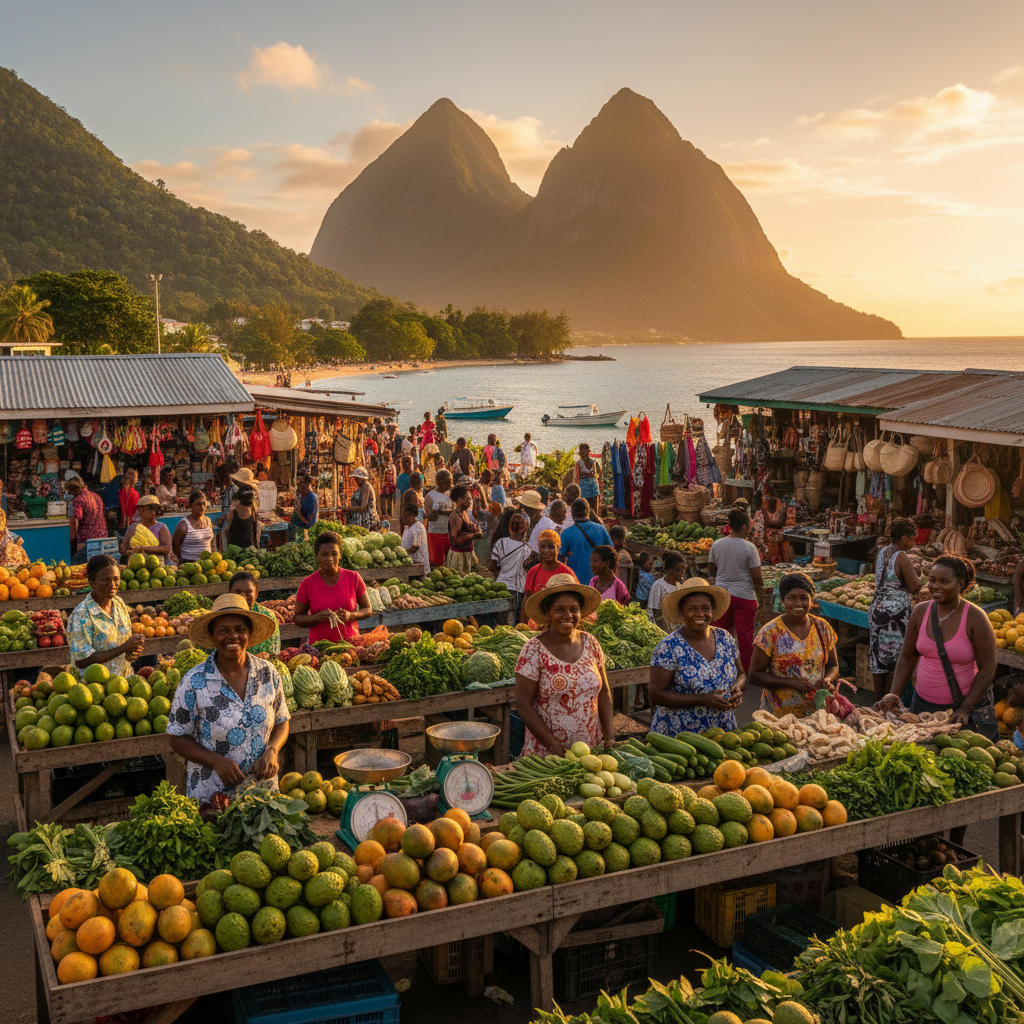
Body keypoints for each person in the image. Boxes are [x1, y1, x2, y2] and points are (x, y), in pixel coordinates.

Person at [167, 593, 289, 804]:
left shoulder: (268, 673)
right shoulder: (194, 681)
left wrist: (272, 749)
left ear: (249, 634)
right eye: (223, 631)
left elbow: (282, 720)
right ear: (213, 637)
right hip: (212, 796)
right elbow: (177, 737)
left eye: (240, 629)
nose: (233, 636)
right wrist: (215, 761)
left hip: (262, 796)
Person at [885, 555, 998, 736]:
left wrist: (966, 708)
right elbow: (907, 656)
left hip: (961, 709)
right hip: (922, 706)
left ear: (961, 584)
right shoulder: (920, 611)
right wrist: (893, 696)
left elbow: (988, 668)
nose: (935, 586)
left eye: (944, 581)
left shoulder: (976, 618)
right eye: (932, 580)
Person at [514, 575, 613, 756]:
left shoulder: (590, 642)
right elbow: (523, 705)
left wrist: (609, 737)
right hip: (547, 756)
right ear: (547, 613)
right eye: (559, 609)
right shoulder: (533, 649)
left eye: (574, 609)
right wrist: (553, 746)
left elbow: (604, 692)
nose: (568, 616)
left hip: (591, 751)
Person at [649, 578, 746, 735]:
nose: (700, 614)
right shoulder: (669, 647)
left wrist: (737, 688)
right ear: (682, 611)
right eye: (692, 609)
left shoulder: (725, 638)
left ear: (712, 611)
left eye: (705, 608)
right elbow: (656, 695)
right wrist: (702, 699)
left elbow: (741, 673)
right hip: (680, 735)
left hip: (723, 730)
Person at [749, 572, 840, 719]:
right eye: (792, 598)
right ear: (782, 601)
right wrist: (790, 683)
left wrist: (828, 679)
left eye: (804, 598)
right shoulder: (770, 632)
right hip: (780, 715)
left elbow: (833, 666)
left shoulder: (822, 627)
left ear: (812, 601)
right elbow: (754, 675)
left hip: (817, 713)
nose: (798, 603)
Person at [868, 518, 924, 701]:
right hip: (895, 614)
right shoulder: (901, 556)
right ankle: (890, 701)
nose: (913, 543)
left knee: (878, 655)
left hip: (877, 608)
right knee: (895, 658)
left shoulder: (882, 552)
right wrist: (922, 578)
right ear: (904, 537)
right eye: (912, 539)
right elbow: (915, 586)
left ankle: (879, 700)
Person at [67, 555, 145, 679]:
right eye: (105, 579)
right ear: (92, 583)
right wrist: (124, 647)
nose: (112, 584)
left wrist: (132, 651)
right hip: (94, 689)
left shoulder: (119, 603)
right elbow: (81, 661)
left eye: (116, 579)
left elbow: (124, 642)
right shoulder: (81, 615)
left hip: (124, 683)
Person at [707, 509, 764, 672]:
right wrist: (759, 598)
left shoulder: (717, 544)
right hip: (744, 596)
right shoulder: (749, 548)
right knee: (745, 636)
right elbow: (757, 578)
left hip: (722, 595)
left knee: (722, 634)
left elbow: (711, 568)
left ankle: (724, 667)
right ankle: (747, 670)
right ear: (745, 527)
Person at [294, 531, 373, 643]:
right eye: (324, 554)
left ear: (340, 555)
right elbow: (298, 618)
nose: (329, 558)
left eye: (334, 554)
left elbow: (368, 610)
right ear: (317, 556)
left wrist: (350, 615)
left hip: (351, 645)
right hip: (320, 647)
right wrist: (317, 617)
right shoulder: (307, 583)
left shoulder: (353, 577)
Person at [227, 571, 281, 658]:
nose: (243, 597)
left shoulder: (267, 616)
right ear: (229, 593)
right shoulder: (220, 617)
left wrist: (262, 659)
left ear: (256, 594)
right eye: (237, 592)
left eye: (248, 592)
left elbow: (274, 652)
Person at [489, 511, 531, 621]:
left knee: (500, 622)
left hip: (501, 587)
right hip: (518, 590)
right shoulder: (527, 550)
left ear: (510, 528)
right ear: (525, 529)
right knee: (514, 623)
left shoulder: (500, 543)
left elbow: (491, 568)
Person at [559, 498, 613, 583]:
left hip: (576, 582)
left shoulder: (566, 533)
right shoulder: (601, 529)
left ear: (572, 513)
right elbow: (611, 553)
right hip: (599, 581)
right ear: (588, 512)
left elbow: (560, 558)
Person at [524, 530, 578, 602]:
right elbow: (527, 598)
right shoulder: (533, 572)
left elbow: (576, 597)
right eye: (543, 547)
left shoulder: (567, 572)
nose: (546, 550)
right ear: (539, 549)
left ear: (558, 548)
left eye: (550, 547)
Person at [121, 495, 173, 565]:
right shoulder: (133, 527)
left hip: (158, 565)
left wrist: (144, 549)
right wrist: (132, 551)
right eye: (150, 509)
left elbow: (166, 549)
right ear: (140, 510)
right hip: (136, 565)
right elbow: (123, 548)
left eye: (155, 509)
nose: (153, 512)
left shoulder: (161, 527)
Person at [66, 476, 107, 557]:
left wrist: (68, 541)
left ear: (74, 489)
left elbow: (74, 527)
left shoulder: (77, 501)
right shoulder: (97, 497)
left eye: (69, 490)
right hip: (103, 539)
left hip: (86, 543)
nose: (69, 493)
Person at [172, 491, 216, 564]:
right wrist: (181, 563)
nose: (202, 507)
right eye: (198, 504)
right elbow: (175, 547)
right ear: (191, 505)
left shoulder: (208, 521)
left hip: (208, 564)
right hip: (190, 565)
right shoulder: (184, 525)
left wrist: (215, 558)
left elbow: (212, 543)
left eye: (204, 504)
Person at [446, 484, 482, 573]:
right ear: (459, 500)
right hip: (459, 556)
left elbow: (464, 532)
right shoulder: (456, 517)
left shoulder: (464, 513)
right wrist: (473, 536)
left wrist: (473, 529)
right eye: (468, 499)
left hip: (467, 553)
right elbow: (455, 540)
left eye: (471, 499)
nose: (470, 501)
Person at [648, 552, 686, 630]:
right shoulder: (659, 586)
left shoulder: (682, 585)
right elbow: (656, 613)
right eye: (678, 570)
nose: (682, 572)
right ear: (668, 570)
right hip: (662, 627)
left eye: (683, 570)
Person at [424, 469, 455, 568]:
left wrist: (441, 512)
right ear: (441, 482)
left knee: (451, 562)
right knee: (438, 564)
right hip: (435, 533)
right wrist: (440, 513)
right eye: (449, 482)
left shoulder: (451, 495)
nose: (451, 484)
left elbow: (455, 511)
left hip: (449, 533)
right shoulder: (430, 496)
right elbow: (430, 517)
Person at [220, 487, 260, 552]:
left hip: (235, 548)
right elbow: (256, 531)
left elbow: (227, 532)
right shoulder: (252, 509)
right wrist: (257, 545)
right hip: (248, 548)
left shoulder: (232, 512)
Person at [400, 504, 429, 573]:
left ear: (413, 516)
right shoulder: (407, 528)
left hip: (418, 565)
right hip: (410, 564)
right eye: (402, 515)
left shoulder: (417, 527)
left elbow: (415, 547)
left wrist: (402, 555)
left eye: (406, 515)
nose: (403, 518)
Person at [289, 475, 319, 542]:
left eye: (301, 483)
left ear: (307, 484)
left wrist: (298, 512)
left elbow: (308, 521)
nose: (299, 486)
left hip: (305, 534)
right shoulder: (302, 496)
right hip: (297, 531)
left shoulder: (312, 497)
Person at [574, 443, 600, 514]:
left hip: (591, 489)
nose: (584, 455)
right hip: (586, 489)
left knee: (589, 508)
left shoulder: (580, 463)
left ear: (589, 452)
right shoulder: (579, 463)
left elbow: (575, 478)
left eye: (585, 453)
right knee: (588, 509)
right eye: (583, 454)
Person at [609, 526, 633, 593]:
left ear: (620, 541)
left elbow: (621, 581)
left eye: (612, 540)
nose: (610, 542)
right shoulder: (618, 553)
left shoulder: (623, 557)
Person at [379, 450, 397, 519]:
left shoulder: (386, 465)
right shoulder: (392, 465)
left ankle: (385, 513)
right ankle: (388, 513)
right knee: (389, 499)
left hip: (386, 485)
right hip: (390, 485)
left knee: (385, 498)